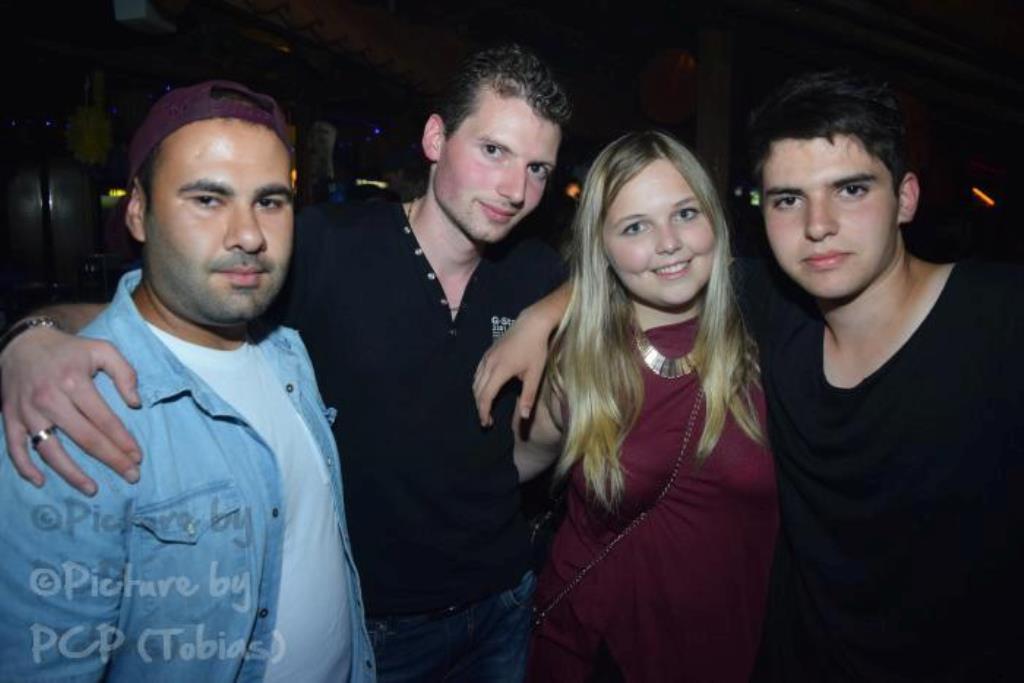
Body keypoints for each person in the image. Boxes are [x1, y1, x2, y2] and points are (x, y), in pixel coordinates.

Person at [0, 44, 570, 682]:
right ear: (436, 138)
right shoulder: (325, 245)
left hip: (503, 600)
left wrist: (548, 312)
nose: (514, 189)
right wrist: (31, 339)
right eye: (493, 150)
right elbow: (175, 302)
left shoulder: (537, 271)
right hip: (382, 626)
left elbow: (616, 277)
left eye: (538, 169)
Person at [474, 70, 1024, 681]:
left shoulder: (999, 321)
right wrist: (542, 317)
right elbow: (647, 267)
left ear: (907, 196)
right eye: (788, 199)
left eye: (850, 189)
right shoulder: (777, 310)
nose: (818, 224)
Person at [0, 80, 375, 681]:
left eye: (270, 202)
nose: (249, 235)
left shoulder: (287, 351)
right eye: (207, 199)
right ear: (138, 212)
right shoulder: (75, 413)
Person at [514, 131, 776, 682]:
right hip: (590, 654)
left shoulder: (774, 334)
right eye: (635, 227)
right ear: (602, 248)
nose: (669, 243)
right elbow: (501, 474)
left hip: (733, 653)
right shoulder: (577, 363)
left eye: (685, 213)